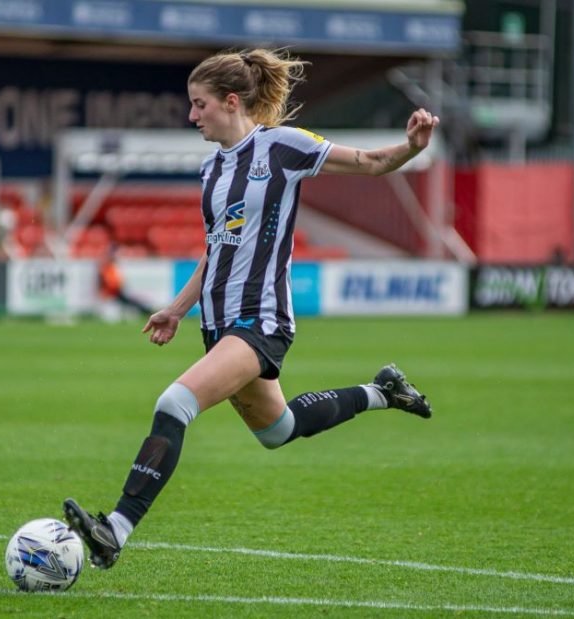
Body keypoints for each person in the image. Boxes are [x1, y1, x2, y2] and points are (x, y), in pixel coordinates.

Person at [63, 49, 436, 570]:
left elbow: (371, 163)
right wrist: (176, 309)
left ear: (231, 102)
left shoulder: (281, 146)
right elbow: (217, 248)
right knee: (277, 430)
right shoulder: (211, 168)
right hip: (218, 326)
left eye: (199, 105)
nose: (192, 116)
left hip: (259, 320)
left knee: (174, 405)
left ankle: (115, 530)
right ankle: (382, 391)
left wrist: (412, 147)